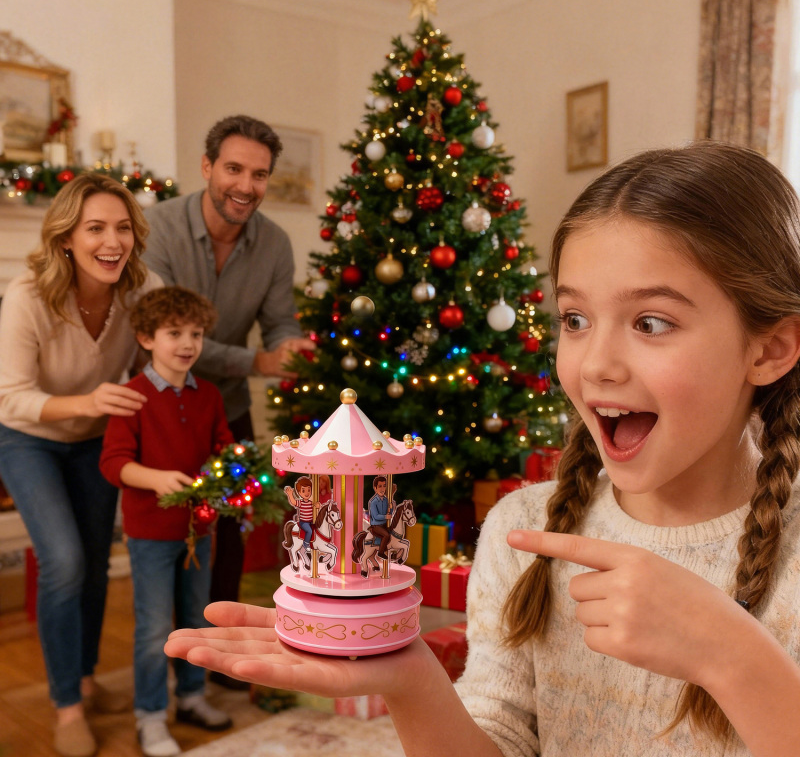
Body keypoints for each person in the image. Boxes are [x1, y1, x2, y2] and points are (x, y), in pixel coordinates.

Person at [164, 141, 800, 756]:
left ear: (769, 349)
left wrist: (734, 658)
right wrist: (410, 680)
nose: (596, 364)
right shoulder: (522, 530)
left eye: (651, 323)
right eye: (574, 320)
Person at [142, 116, 316, 674]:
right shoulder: (158, 228)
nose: (246, 185)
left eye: (259, 174)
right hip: (163, 407)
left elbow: (280, 322)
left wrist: (291, 350)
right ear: (207, 167)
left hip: (229, 409)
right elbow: (167, 327)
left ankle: (218, 661)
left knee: (232, 539)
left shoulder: (276, 243)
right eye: (234, 169)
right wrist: (259, 362)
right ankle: (168, 659)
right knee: (167, 536)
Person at [0, 173, 162, 757]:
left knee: (94, 563)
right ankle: (67, 704)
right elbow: (8, 396)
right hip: (26, 437)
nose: (111, 241)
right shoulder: (27, 295)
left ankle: (87, 679)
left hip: (96, 440)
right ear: (66, 237)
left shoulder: (144, 290)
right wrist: (88, 402)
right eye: (95, 228)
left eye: (122, 227)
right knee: (64, 560)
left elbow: (170, 353)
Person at [99, 286, 234, 757]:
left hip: (200, 530)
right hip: (151, 535)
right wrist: (157, 479)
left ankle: (192, 697)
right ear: (146, 337)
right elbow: (113, 463)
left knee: (197, 620)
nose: (187, 343)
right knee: (155, 628)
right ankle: (151, 716)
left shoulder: (210, 395)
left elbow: (224, 450)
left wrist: (235, 473)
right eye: (174, 332)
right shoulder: (132, 397)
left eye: (195, 333)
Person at [367, 475, 395, 560]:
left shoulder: (386, 500)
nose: (382, 489)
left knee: (394, 534)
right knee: (386, 535)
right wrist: (386, 516)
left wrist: (391, 507)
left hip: (383, 524)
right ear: (375, 488)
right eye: (380, 486)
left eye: (384, 486)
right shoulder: (373, 502)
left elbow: (389, 513)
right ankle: (381, 552)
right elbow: (375, 516)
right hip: (376, 525)